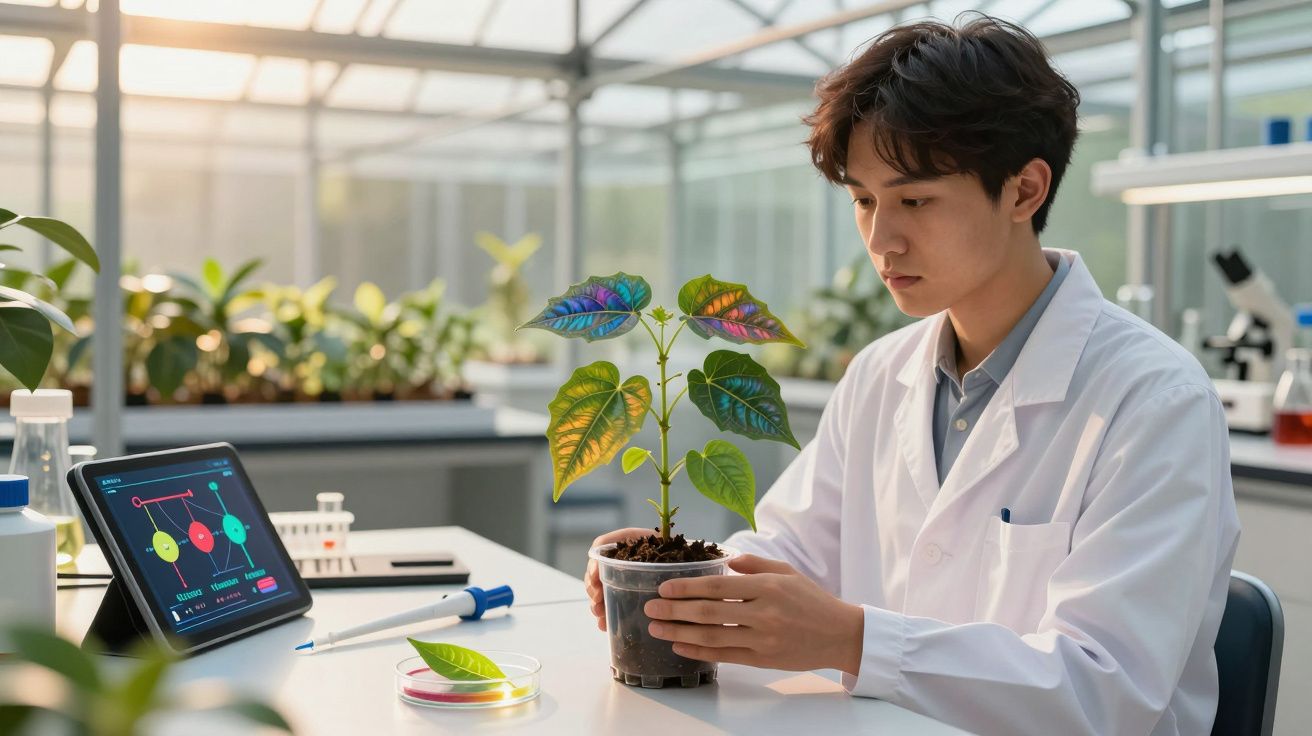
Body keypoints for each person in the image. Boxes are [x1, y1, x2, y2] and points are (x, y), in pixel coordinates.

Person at [584, 14, 1239, 736]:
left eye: (915, 200)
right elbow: (792, 555)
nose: (880, 239)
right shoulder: (881, 374)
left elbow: (1105, 689)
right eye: (864, 200)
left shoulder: (1154, 400)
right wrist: (683, 581)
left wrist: (853, 641)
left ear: (1024, 191)